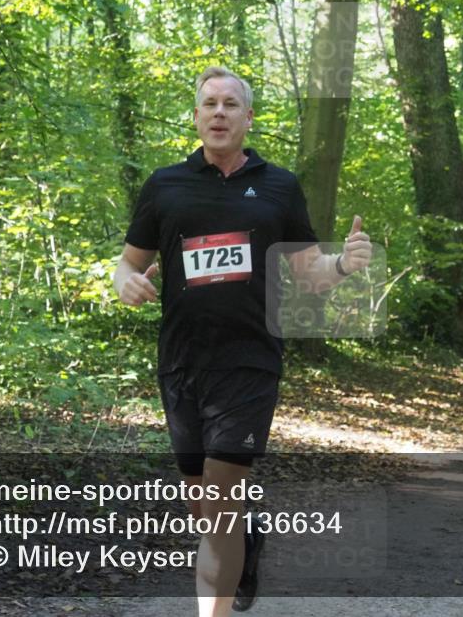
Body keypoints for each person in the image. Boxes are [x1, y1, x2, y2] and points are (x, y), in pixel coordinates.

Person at [113, 66, 372, 616]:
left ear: (248, 118)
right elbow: (129, 262)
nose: (219, 113)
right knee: (202, 505)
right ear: (196, 117)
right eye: (210, 104)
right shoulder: (164, 186)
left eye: (231, 105)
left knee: (221, 493)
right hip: (182, 361)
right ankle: (246, 541)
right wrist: (126, 283)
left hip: (250, 361)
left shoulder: (279, 186)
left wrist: (344, 265)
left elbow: (311, 274)